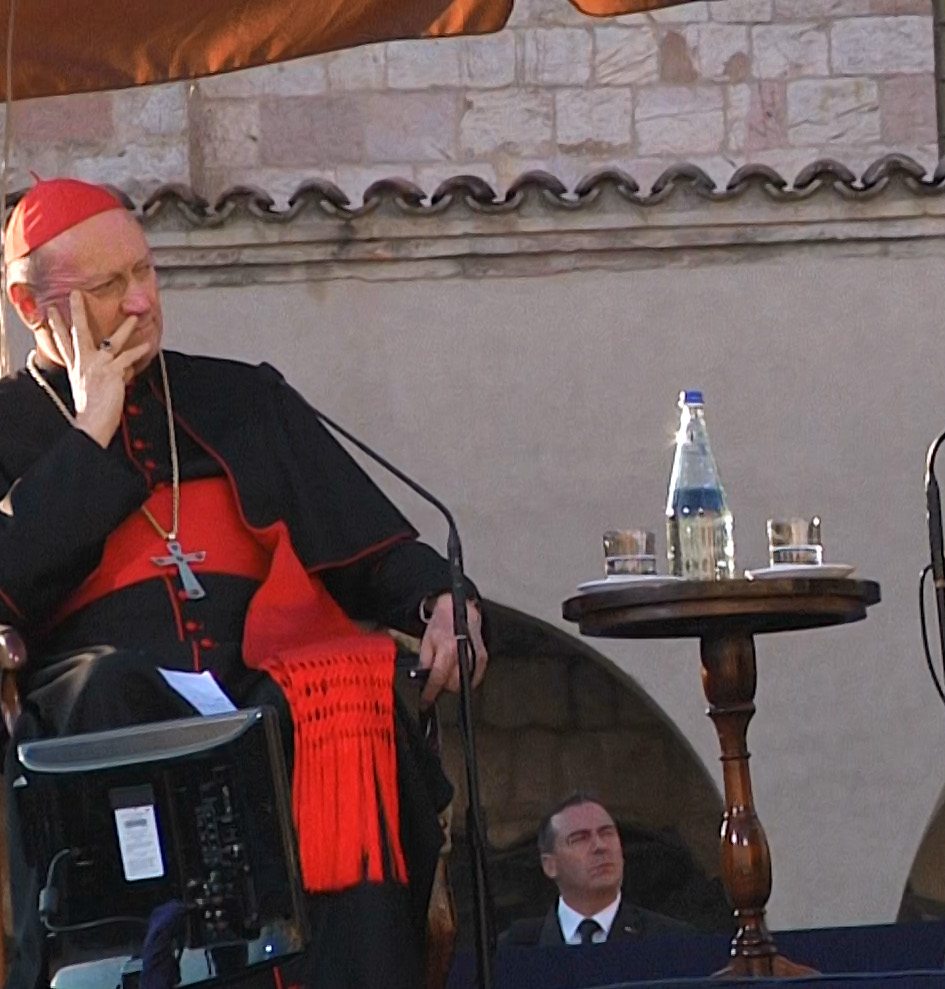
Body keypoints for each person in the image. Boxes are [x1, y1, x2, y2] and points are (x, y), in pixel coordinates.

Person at [0, 178, 490, 988]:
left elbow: (370, 546)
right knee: (110, 689)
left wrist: (444, 599)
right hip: (105, 698)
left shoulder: (241, 398)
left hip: (262, 686)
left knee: (346, 696)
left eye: (146, 271)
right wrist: (91, 432)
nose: (141, 301)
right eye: (110, 285)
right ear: (29, 306)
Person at [499, 793, 695, 946]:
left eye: (607, 833)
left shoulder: (672, 939)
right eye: (580, 838)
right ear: (550, 865)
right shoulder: (513, 949)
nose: (600, 846)